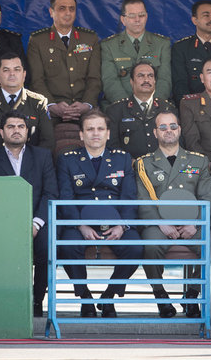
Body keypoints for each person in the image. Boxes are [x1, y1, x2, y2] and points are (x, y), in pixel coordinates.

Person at [56, 109, 142, 318]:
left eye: (100, 129)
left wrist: (122, 225)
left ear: (108, 134)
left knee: (135, 247)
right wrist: (80, 225)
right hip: (80, 220)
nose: (96, 133)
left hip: (115, 220)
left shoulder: (122, 159)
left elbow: (129, 197)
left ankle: (109, 296)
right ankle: (85, 297)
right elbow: (66, 198)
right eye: (90, 129)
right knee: (68, 247)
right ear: (81, 135)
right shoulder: (68, 160)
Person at [0, 111, 59, 317]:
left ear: (28, 131)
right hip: (3, 223)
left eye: (21, 126)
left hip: (37, 221)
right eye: (11, 127)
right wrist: (8, 224)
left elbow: (50, 193)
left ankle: (36, 300)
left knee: (46, 247)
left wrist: (36, 223)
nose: (16, 130)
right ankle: (7, 300)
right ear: (1, 132)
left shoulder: (42, 156)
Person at [135, 111, 211, 318]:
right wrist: (161, 224)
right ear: (155, 132)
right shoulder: (144, 163)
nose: (168, 130)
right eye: (163, 127)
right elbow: (143, 199)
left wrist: (195, 224)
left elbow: (206, 197)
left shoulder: (199, 161)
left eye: (172, 126)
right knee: (150, 246)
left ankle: (192, 295)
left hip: (192, 224)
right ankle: (161, 296)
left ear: (179, 129)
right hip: (159, 224)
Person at [27, 0, 101, 123]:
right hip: (50, 110)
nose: (68, 13)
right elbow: (36, 80)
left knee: (99, 131)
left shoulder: (90, 38)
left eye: (72, 9)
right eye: (62, 8)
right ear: (51, 12)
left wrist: (86, 104)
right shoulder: (38, 40)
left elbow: (94, 78)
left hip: (84, 109)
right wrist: (51, 105)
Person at [0, 53, 54, 161]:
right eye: (6, 70)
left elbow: (48, 141)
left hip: (30, 164)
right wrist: (4, 161)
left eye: (17, 69)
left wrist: (29, 161)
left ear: (24, 74)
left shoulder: (38, 102)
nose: (12, 74)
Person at [101, 0, 171, 107]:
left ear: (146, 17)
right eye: (132, 16)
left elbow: (164, 79)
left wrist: (153, 104)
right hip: (121, 106)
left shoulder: (162, 43)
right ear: (123, 20)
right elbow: (110, 81)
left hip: (155, 106)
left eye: (141, 15)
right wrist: (127, 106)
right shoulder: (109, 45)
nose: (137, 19)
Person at [106, 61, 176, 158]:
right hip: (130, 168)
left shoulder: (167, 109)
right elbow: (112, 145)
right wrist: (130, 163)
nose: (146, 80)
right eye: (141, 76)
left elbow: (177, 143)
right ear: (131, 81)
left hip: (163, 166)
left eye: (150, 76)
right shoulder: (116, 110)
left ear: (155, 81)